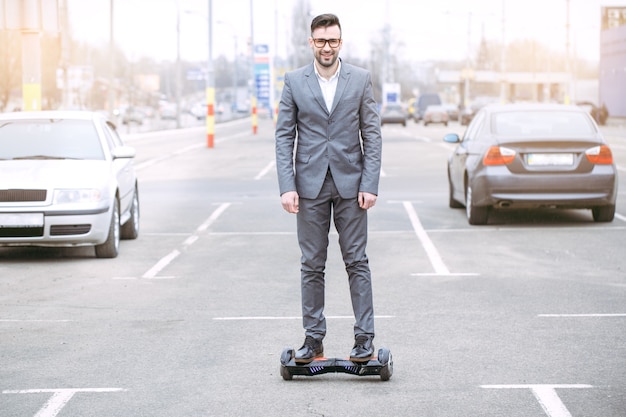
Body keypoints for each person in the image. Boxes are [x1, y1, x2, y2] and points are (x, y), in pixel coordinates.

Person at [275, 13, 382, 363]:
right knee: (311, 264)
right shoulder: (294, 81)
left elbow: (372, 134)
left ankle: (364, 338)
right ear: (311, 42)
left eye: (333, 40)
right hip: (309, 186)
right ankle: (313, 339)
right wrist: (287, 186)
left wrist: (369, 183)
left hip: (352, 185)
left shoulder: (361, 79)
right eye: (320, 41)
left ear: (340, 41)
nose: (326, 47)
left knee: (357, 261)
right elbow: (284, 136)